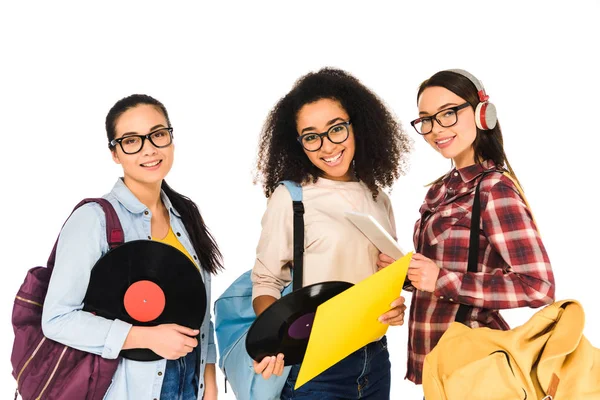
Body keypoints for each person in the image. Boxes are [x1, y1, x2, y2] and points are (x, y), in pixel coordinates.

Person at [378, 69, 556, 386]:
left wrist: (441, 279)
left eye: (448, 114)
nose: (435, 129)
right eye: (426, 119)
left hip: (475, 367)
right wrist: (405, 274)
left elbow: (538, 286)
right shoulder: (441, 189)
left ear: (481, 113)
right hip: (439, 367)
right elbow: (442, 273)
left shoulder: (494, 189)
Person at [41, 94, 221, 399]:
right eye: (131, 140)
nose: (149, 149)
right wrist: (145, 337)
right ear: (115, 153)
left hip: (191, 382)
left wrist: (209, 380)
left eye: (158, 134)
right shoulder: (93, 219)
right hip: (130, 387)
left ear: (170, 139)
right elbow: (57, 320)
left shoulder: (185, 214)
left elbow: (197, 307)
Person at [251, 67, 413, 399]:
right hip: (316, 366)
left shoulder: (377, 197)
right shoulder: (292, 198)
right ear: (299, 143)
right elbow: (266, 282)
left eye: (336, 129)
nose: (327, 146)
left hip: (376, 360)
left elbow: (382, 279)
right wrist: (276, 340)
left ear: (357, 125)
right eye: (311, 136)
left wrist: (395, 308)